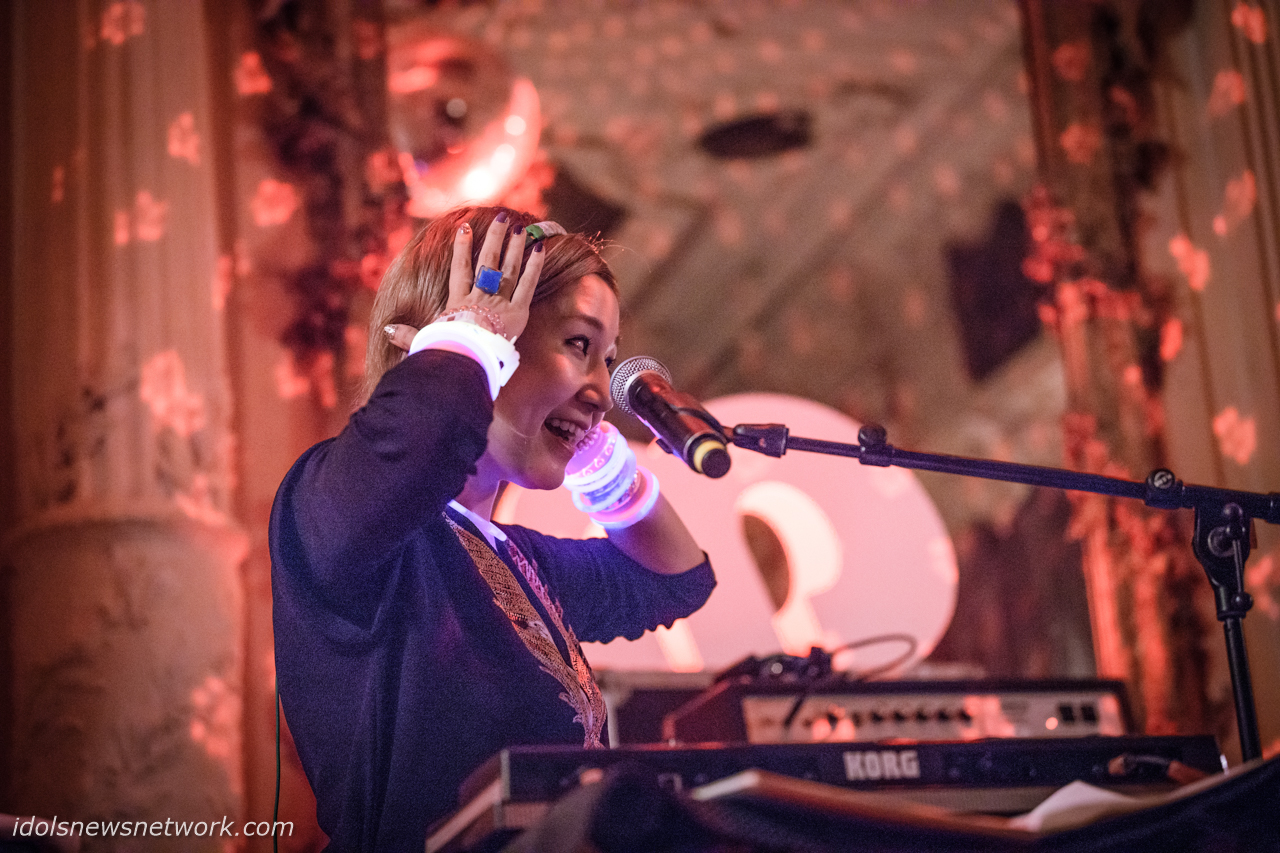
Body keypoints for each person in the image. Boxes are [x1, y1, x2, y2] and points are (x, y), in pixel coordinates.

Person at [269, 206, 715, 851]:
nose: (601, 390)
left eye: (608, 358)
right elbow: (418, 444)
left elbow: (674, 579)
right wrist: (470, 338)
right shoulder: (333, 510)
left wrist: (599, 463)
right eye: (578, 345)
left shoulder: (519, 561)